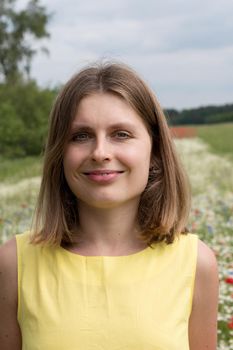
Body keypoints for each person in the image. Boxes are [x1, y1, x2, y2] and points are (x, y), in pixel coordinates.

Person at [0, 61, 218, 350]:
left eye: (121, 134)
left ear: (154, 151)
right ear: (59, 154)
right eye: (81, 136)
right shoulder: (14, 263)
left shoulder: (195, 263)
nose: (100, 152)